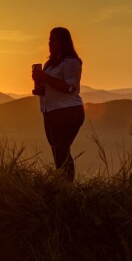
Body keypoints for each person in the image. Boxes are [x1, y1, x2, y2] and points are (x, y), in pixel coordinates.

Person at [32, 27, 85, 182]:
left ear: (63, 42)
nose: (50, 43)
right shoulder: (51, 63)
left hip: (68, 112)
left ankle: (66, 186)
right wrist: (39, 87)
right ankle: (63, 184)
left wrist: (45, 77)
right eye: (49, 39)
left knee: (61, 150)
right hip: (51, 112)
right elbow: (48, 89)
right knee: (58, 151)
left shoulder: (72, 62)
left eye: (53, 40)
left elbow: (69, 87)